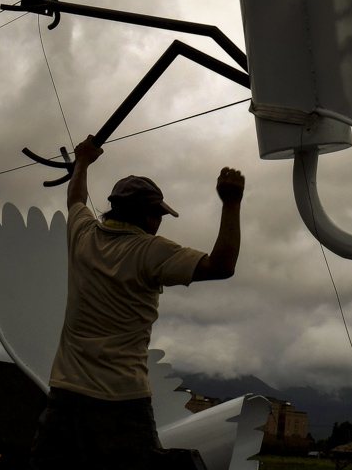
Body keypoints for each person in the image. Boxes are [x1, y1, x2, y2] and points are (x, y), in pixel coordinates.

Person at [30, 135, 244, 470]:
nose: (159, 223)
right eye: (158, 215)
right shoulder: (151, 251)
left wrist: (83, 160)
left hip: (64, 399)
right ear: (147, 216)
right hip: (122, 404)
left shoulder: (83, 236)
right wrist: (231, 203)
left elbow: (76, 198)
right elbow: (222, 266)